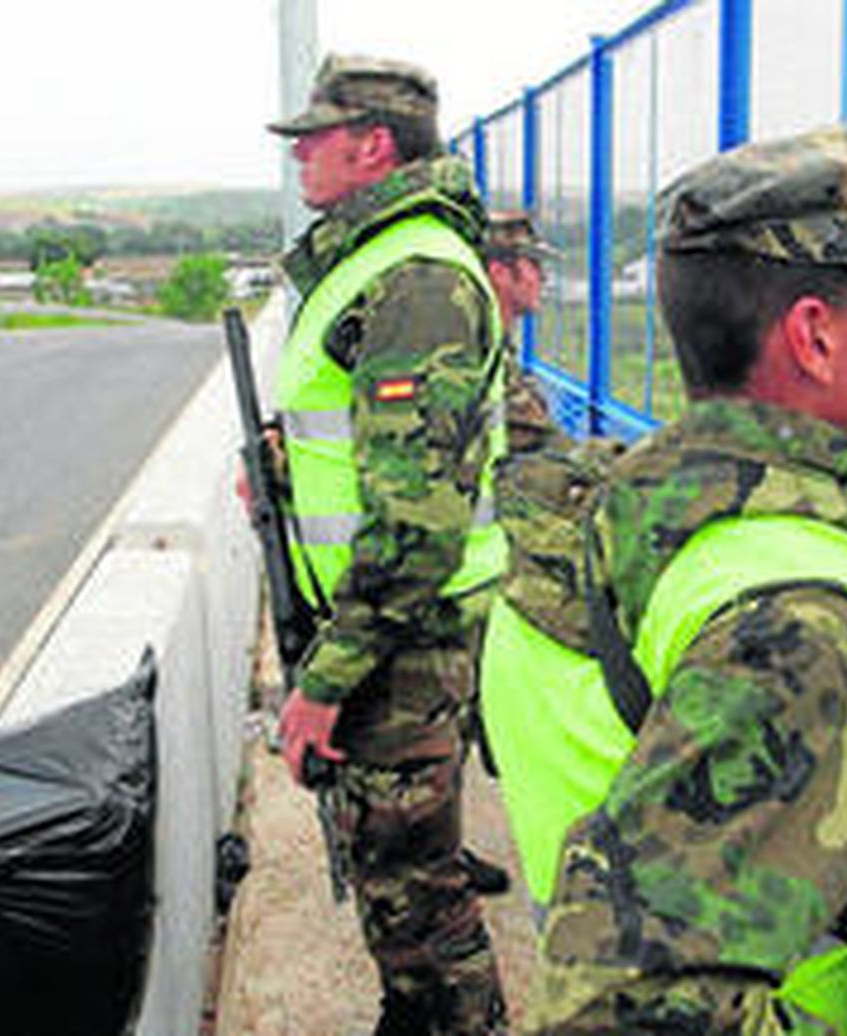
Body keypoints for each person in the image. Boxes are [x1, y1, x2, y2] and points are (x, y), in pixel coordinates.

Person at [511, 125, 847, 1034]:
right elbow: (618, 1009)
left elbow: (653, 744)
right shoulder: (805, 622)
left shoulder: (620, 511)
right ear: (815, 337)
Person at [263, 53, 507, 1035]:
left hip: (403, 637)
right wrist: (287, 460)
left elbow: (415, 523)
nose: (300, 159)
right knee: (392, 880)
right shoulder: (379, 262)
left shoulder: (413, 276)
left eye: (314, 139)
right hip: (395, 629)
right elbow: (369, 448)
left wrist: (326, 678)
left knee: (417, 896)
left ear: (373, 146)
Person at [483, 209, 566, 454]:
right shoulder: (480, 350)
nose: (543, 278)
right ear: (499, 273)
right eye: (534, 265)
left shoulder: (492, 338)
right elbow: (532, 434)